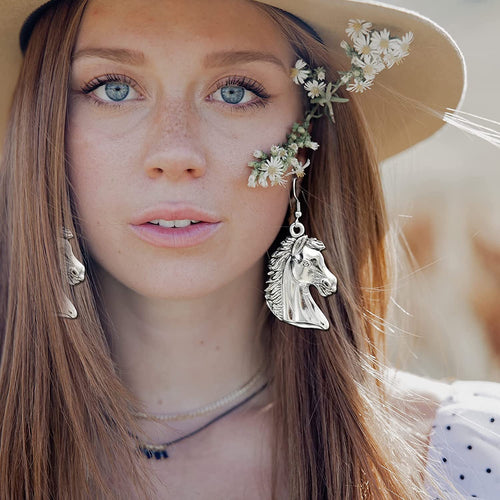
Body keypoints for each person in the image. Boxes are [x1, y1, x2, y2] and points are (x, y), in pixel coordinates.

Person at [0, 0, 498, 498]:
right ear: (44, 134)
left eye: (235, 92)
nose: (175, 154)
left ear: (306, 142)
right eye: (114, 89)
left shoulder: (474, 458)